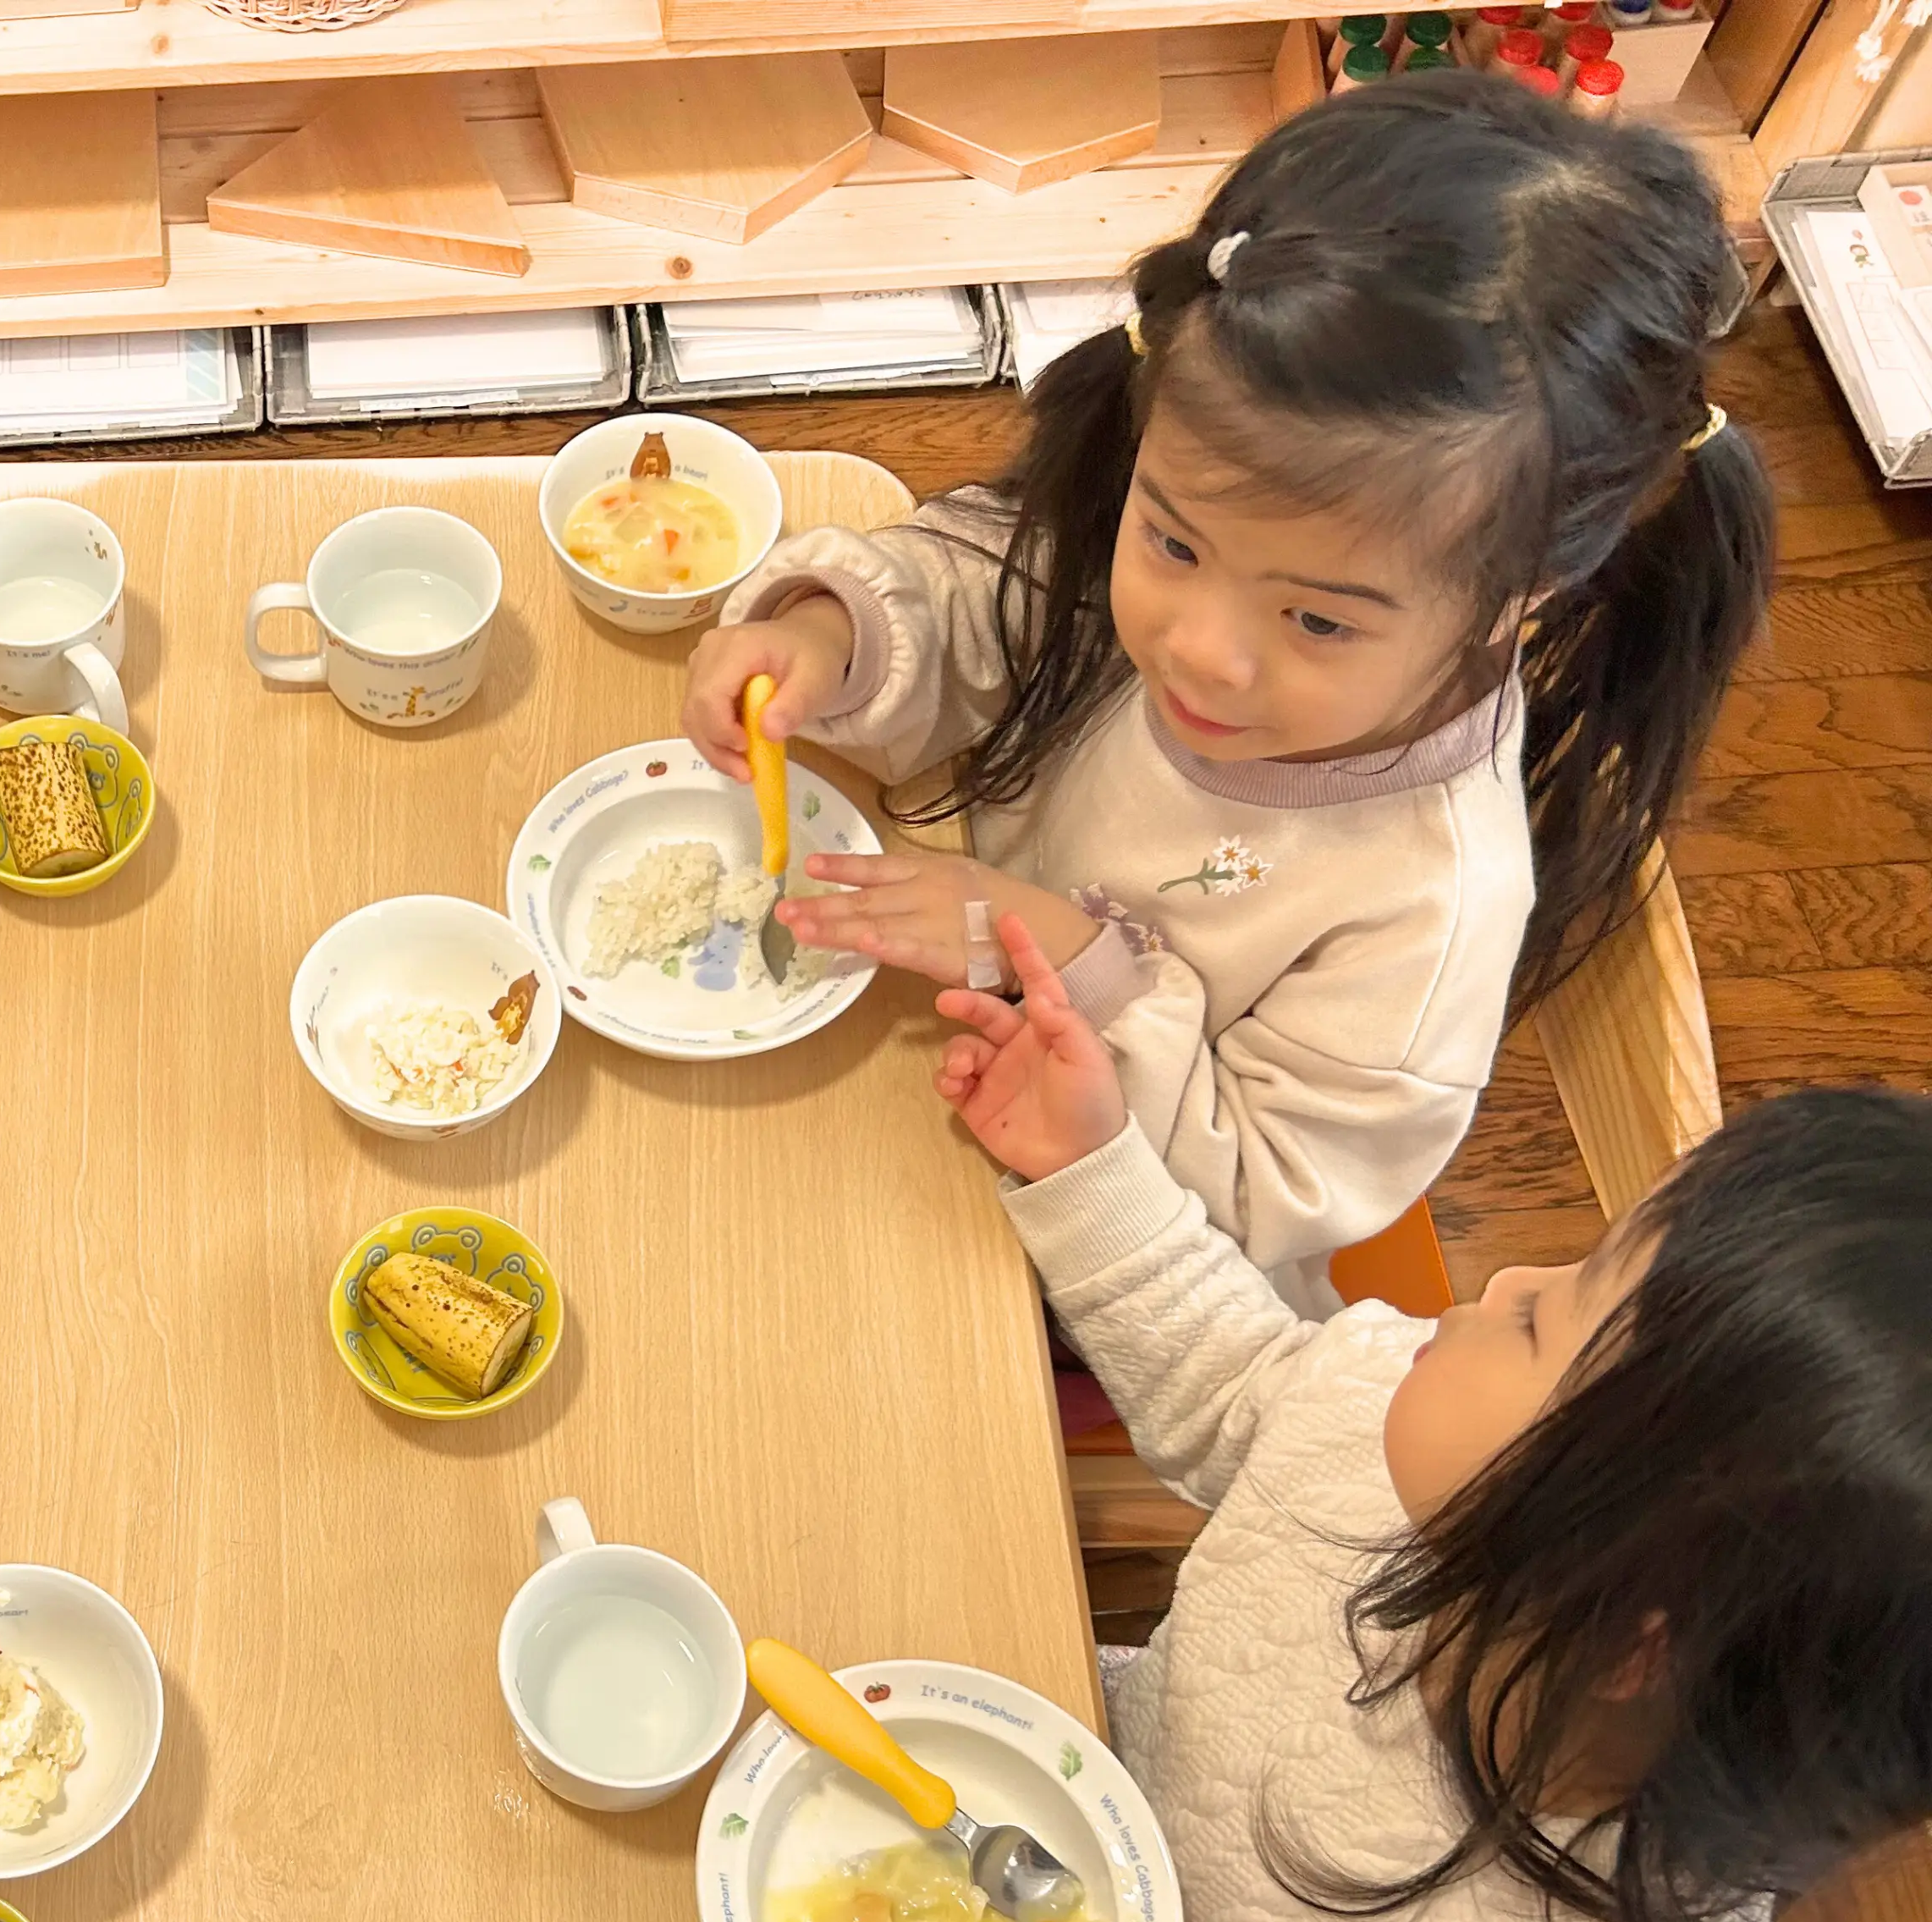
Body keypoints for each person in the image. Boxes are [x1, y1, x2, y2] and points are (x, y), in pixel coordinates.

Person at [915, 916, 1932, 1922]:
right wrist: (1088, 1170)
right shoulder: (1396, 1428)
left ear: (1622, 1630)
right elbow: (1244, 1388)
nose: (1499, 1270)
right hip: (1027, 1852)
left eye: (1540, 1319)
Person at [685, 80, 1770, 1308]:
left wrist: (1068, 961)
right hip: (929, 1022)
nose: (1199, 649)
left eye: (1318, 620)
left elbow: (1255, 1197)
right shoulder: (1232, 547)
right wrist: (834, 636)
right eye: (1171, 541)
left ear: (1521, 598)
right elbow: (998, 593)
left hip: (1080, 1269)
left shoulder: (1426, 901)